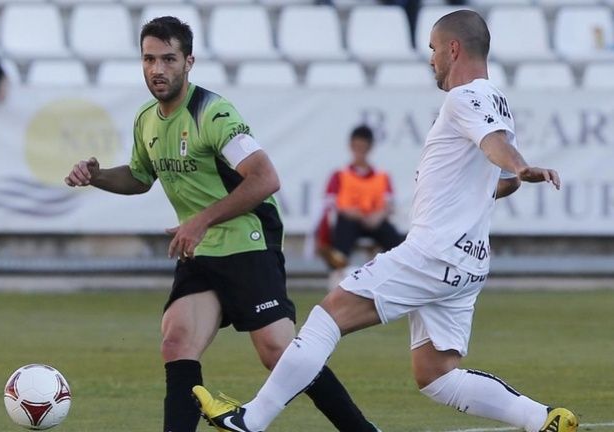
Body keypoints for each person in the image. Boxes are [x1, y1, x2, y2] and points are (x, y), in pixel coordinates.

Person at [193, 10, 578, 432]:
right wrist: (510, 174)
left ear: (453, 49)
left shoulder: (465, 97)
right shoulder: (496, 100)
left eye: (433, 49)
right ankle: (544, 419)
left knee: (327, 317)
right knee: (437, 375)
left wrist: (521, 166)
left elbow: (497, 149)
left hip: (434, 252)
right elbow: (500, 179)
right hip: (468, 262)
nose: (431, 59)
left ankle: (251, 420)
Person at [64, 16, 379, 432]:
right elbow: (141, 177)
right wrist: (98, 175)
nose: (157, 69)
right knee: (177, 342)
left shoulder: (212, 113)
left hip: (247, 241)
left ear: (189, 62)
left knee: (279, 354)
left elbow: (266, 179)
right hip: (200, 250)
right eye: (149, 59)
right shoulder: (147, 119)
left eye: (168, 59)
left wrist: (199, 222)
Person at [316, 124, 402, 272]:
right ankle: (338, 264)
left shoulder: (382, 176)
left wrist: (378, 216)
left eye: (363, 147)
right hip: (350, 221)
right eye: (356, 146)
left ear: (370, 148)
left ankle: (400, 266)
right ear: (350, 146)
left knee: (394, 238)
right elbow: (332, 204)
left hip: (375, 222)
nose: (359, 151)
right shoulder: (339, 175)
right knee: (343, 229)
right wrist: (350, 212)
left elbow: (389, 204)